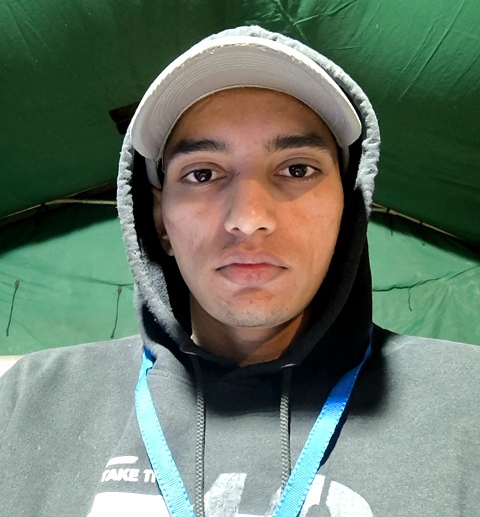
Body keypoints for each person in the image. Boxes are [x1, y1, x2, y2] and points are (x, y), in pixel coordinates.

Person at [0, 26, 478, 517]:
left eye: (297, 169)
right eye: (202, 174)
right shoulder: (29, 401)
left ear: (347, 211)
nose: (248, 218)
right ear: (160, 222)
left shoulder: (469, 401)